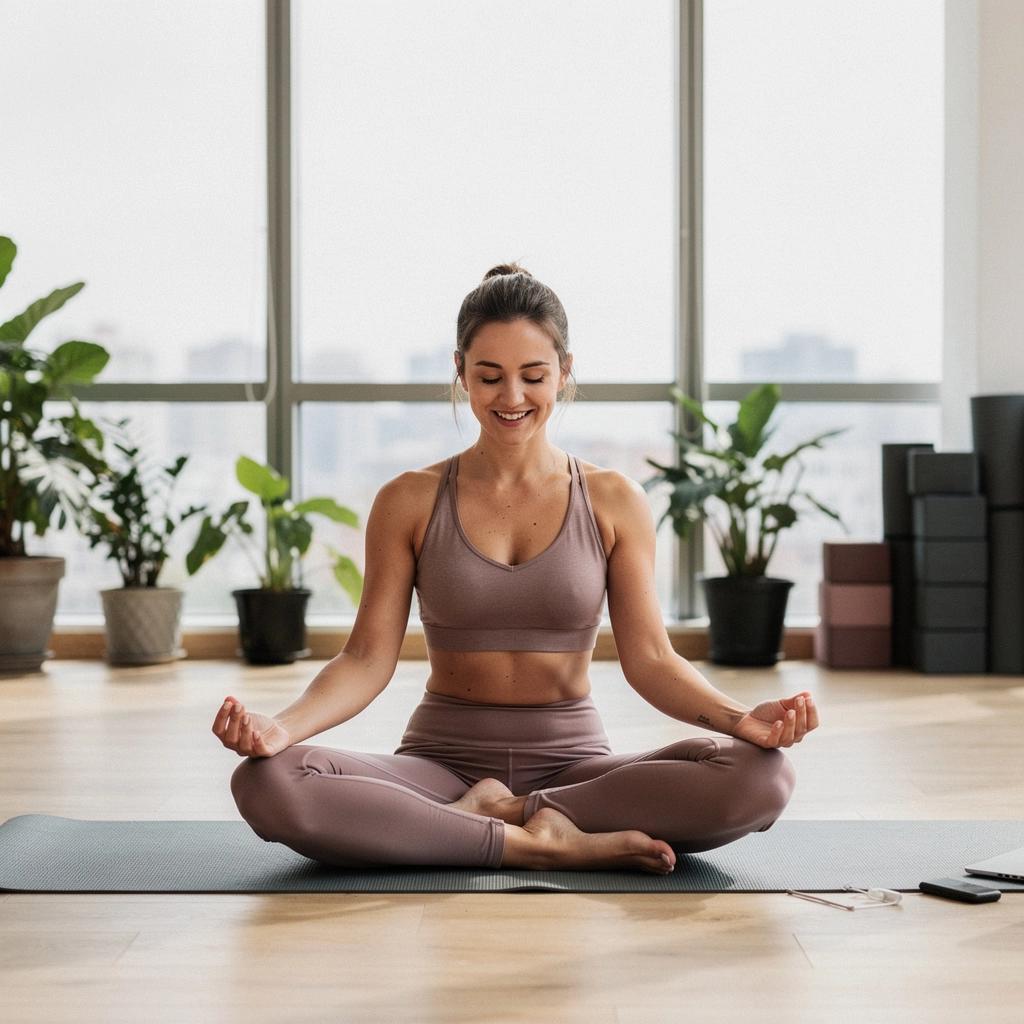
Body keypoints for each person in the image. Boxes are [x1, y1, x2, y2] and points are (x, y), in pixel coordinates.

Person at [218, 262, 817, 875]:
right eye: (489, 377)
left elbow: (652, 660)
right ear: (460, 373)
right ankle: (541, 841)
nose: (512, 398)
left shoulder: (613, 500)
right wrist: (280, 729)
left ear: (564, 372)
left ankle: (506, 816)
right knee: (269, 783)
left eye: (533, 376)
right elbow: (367, 659)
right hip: (440, 767)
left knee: (760, 776)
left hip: (576, 770)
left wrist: (742, 720)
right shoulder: (409, 499)